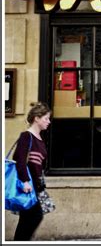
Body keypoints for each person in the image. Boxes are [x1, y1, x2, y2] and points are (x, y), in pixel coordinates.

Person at [13, 102, 52, 241]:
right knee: (33, 217)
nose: (49, 121)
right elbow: (19, 159)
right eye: (46, 118)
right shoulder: (26, 136)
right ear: (36, 118)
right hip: (29, 185)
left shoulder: (40, 139)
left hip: (37, 185)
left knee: (28, 219)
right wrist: (25, 181)